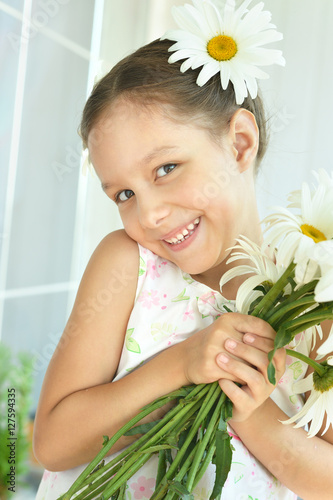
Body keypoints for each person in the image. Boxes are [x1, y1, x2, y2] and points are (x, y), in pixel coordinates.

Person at [33, 1, 333, 499]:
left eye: (166, 168)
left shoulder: (314, 302)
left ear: (239, 143)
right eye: (123, 194)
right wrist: (182, 364)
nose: (147, 214)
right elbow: (53, 443)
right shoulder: (127, 266)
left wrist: (252, 409)